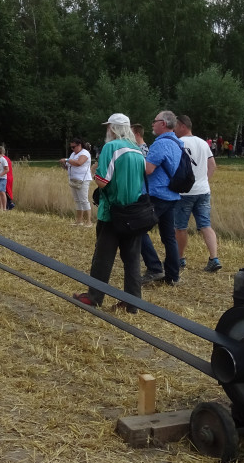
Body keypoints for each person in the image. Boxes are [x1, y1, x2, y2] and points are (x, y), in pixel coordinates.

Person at [73, 113, 147, 313]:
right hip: (134, 213)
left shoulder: (110, 147)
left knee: (103, 258)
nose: (107, 131)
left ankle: (94, 297)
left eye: (108, 127)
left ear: (113, 129)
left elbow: (103, 181)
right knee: (132, 260)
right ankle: (132, 303)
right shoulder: (138, 150)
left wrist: (96, 176)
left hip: (113, 212)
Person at [174, 116, 221, 273]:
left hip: (184, 192)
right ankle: (214, 258)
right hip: (203, 190)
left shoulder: (179, 143)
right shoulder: (202, 143)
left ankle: (179, 259)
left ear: (182, 126)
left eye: (175, 126)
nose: (173, 129)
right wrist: (204, 180)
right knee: (205, 225)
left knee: (180, 227)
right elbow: (212, 165)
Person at [145, 110, 184, 286]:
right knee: (169, 237)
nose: (152, 124)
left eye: (155, 121)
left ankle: (154, 268)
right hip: (172, 195)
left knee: (137, 231)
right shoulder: (177, 143)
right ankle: (173, 276)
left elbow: (148, 169)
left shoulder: (160, 144)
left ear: (163, 123)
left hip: (157, 194)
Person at [133, 123, 164, 282]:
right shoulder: (147, 149)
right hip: (146, 193)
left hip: (142, 194)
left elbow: (143, 172)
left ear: (137, 133)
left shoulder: (142, 151)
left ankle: (154, 266)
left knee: (139, 230)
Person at [60, 137, 92, 225]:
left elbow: (79, 163)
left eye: (74, 147)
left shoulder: (85, 153)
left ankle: (88, 221)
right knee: (77, 200)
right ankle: (79, 220)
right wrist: (64, 164)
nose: (72, 149)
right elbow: (69, 165)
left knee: (84, 200)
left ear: (79, 145)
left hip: (83, 180)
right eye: (71, 147)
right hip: (74, 179)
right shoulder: (73, 154)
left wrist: (66, 160)